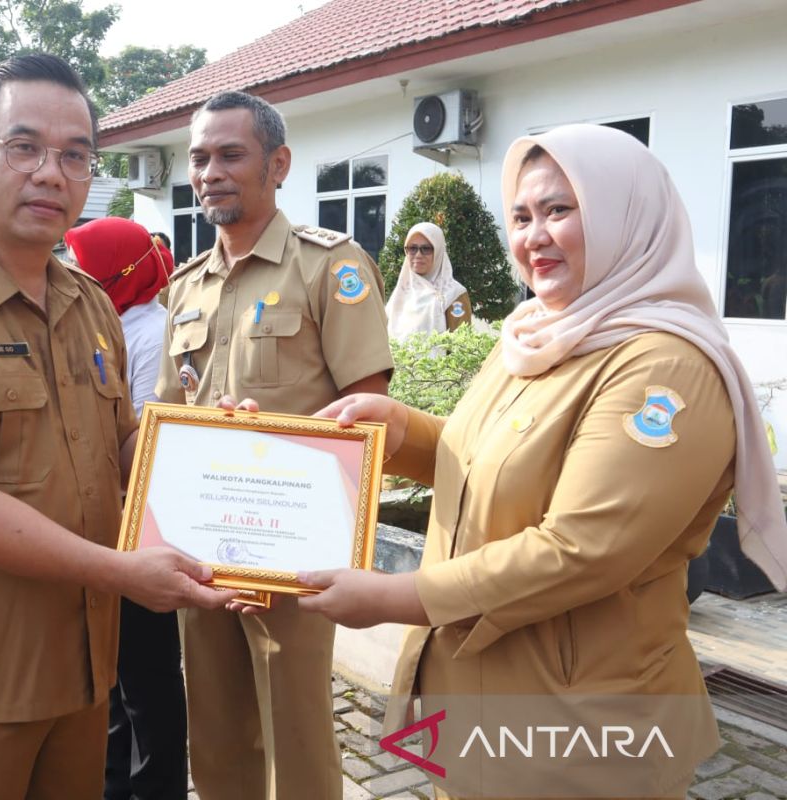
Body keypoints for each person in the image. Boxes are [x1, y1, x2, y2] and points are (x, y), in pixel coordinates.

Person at [291, 124, 787, 798]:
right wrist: (398, 428)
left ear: (626, 216)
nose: (533, 235)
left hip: (581, 727)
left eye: (560, 210)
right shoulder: (537, 332)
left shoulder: (665, 366)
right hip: (479, 697)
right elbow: (494, 458)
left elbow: (582, 546)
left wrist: (395, 597)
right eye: (522, 215)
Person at [0, 54, 233, 800]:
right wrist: (121, 573)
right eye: (23, 147)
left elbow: (123, 441)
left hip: (83, 664)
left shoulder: (89, 303)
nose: (52, 174)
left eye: (75, 155)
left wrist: (205, 448)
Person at [155, 90, 394, 800]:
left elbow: (368, 410)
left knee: (294, 730)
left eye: (231, 154)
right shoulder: (185, 286)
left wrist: (276, 512)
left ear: (278, 163)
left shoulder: (329, 267)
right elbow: (173, 414)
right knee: (217, 727)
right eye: (199, 157)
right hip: (204, 550)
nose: (210, 172)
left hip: (295, 553)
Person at [63, 217, 186, 800]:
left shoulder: (149, 330)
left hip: (138, 523)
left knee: (147, 677)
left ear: (118, 270)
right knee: (108, 674)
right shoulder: (99, 321)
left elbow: (146, 432)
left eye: (82, 261)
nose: (71, 271)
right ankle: (113, 784)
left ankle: (154, 786)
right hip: (98, 524)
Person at [385, 221, 471, 340]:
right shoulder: (401, 292)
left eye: (426, 249)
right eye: (412, 248)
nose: (418, 255)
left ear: (438, 251)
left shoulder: (453, 294)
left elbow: (461, 345)